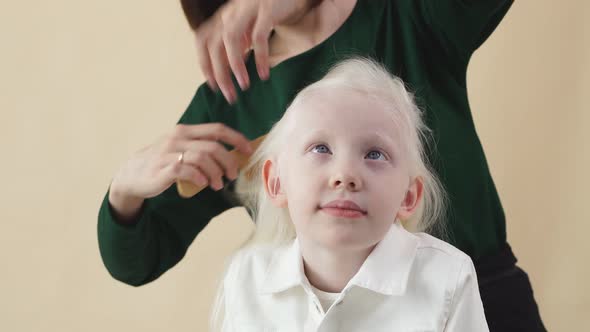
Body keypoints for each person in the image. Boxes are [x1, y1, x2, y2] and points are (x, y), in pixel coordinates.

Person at [97, 0, 546, 330]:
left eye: (374, 154)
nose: (344, 176)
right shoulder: (232, 98)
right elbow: (137, 257)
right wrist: (125, 190)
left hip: (485, 294)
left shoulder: (404, 17)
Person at [213, 57, 488, 331]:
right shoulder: (246, 276)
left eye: (375, 154)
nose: (345, 175)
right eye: (321, 148)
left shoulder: (448, 279)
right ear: (276, 183)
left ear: (408, 196)